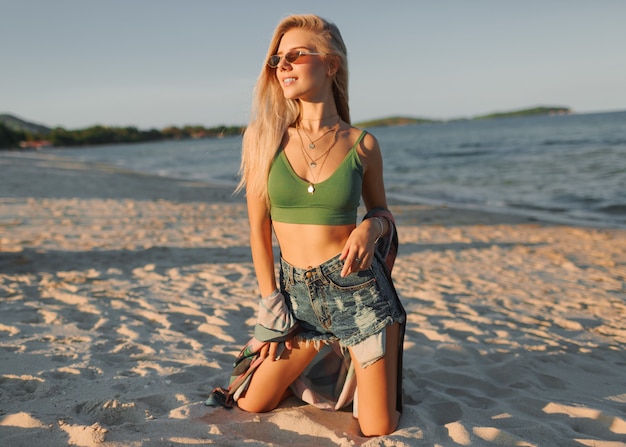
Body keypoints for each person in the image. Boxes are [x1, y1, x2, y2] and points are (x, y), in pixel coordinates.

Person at [214, 14, 406, 437]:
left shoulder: (363, 144)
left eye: (295, 55)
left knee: (378, 426)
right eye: (276, 60)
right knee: (251, 402)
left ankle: (367, 347)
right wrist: (271, 305)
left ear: (331, 65)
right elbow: (258, 231)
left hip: (360, 297)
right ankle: (322, 344)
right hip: (296, 300)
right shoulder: (263, 138)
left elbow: (382, 213)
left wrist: (369, 229)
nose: (282, 66)